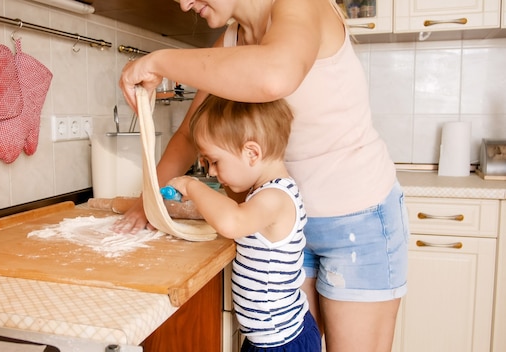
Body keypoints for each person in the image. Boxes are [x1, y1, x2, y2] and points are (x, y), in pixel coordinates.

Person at [115, 0, 409, 351]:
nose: (183, 4)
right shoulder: (231, 41)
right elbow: (190, 135)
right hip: (285, 230)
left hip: (357, 221)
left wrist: (157, 60)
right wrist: (148, 200)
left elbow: (275, 76)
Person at [168, 94, 320, 351]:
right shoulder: (264, 192)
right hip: (267, 338)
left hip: (283, 343)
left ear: (252, 153)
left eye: (214, 161)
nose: (212, 171)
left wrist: (192, 186)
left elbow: (231, 221)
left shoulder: (275, 197)